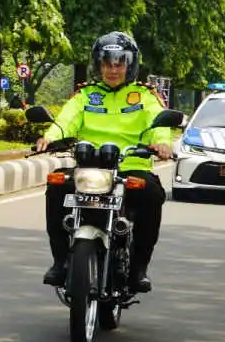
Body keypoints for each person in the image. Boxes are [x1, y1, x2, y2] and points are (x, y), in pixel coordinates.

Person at [34, 32, 174, 293]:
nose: (112, 69)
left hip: (132, 166)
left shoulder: (144, 96)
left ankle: (138, 269)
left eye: (119, 63)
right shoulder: (86, 95)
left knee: (152, 194)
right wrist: (50, 137)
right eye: (107, 63)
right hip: (89, 167)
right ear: (98, 65)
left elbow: (159, 124)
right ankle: (61, 261)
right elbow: (66, 120)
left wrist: (162, 144)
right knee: (56, 185)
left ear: (130, 65)